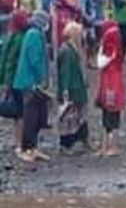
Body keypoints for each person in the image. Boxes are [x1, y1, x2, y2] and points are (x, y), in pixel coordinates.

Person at [14, 10, 50, 163]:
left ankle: (33, 148)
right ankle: (27, 149)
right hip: (30, 82)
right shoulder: (34, 35)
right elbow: (35, 60)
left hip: (31, 82)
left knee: (35, 116)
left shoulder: (32, 33)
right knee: (30, 117)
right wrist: (42, 79)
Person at [56, 21, 90, 152]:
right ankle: (66, 145)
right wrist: (65, 90)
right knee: (69, 118)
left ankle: (82, 139)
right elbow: (66, 72)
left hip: (77, 88)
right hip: (72, 89)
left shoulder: (71, 48)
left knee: (79, 116)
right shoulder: (67, 51)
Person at [0, 10, 30, 154]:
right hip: (18, 80)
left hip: (12, 79)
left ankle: (17, 141)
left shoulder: (11, 36)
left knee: (16, 113)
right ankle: (20, 143)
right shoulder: (21, 38)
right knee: (20, 113)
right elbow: (11, 61)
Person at [95, 20, 126, 157]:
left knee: (109, 114)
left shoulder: (109, 47)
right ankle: (109, 145)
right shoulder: (116, 44)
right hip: (113, 80)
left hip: (109, 81)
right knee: (112, 114)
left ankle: (107, 145)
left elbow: (101, 62)